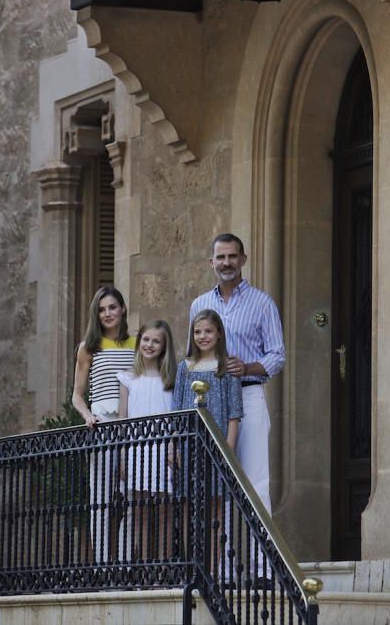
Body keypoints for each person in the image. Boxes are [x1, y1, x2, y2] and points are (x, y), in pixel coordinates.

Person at [190, 233, 285, 581]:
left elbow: (277, 356)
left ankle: (262, 570)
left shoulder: (262, 303)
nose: (226, 263)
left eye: (232, 256)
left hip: (248, 394)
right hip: (212, 401)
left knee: (257, 482)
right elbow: (193, 354)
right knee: (219, 486)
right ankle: (225, 570)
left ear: (243, 260)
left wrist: (248, 367)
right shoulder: (199, 305)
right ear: (211, 262)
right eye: (220, 257)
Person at [173, 309, 243, 567]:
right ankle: (192, 565)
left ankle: (213, 568)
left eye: (208, 331)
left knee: (214, 510)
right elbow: (177, 410)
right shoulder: (185, 368)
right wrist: (173, 446)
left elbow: (235, 413)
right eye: (198, 331)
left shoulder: (227, 367)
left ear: (219, 334)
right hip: (189, 445)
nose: (202, 336)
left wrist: (229, 450)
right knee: (189, 507)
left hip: (217, 445)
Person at [72, 285, 136, 563]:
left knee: (135, 496)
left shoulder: (138, 343)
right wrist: (87, 416)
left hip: (135, 427)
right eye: (101, 309)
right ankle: (101, 565)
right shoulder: (88, 348)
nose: (107, 313)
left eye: (112, 307)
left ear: (122, 309)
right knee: (101, 499)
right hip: (102, 426)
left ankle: (122, 564)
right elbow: (76, 395)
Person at [116, 320, 176, 560]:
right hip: (136, 451)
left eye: (156, 341)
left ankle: (165, 566)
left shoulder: (170, 380)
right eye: (146, 339)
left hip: (163, 450)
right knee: (138, 511)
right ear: (139, 341)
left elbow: (174, 418)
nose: (150, 345)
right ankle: (142, 567)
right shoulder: (128, 379)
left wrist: (173, 447)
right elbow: (122, 419)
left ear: (164, 346)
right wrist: (122, 455)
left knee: (165, 511)